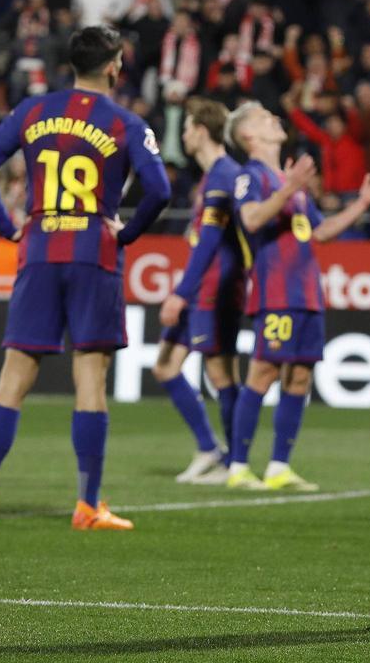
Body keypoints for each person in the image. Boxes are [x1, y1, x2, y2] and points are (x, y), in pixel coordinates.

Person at [0, 26, 172, 530]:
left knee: (13, 377)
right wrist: (127, 234)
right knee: (90, 376)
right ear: (114, 66)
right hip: (93, 252)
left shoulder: (32, 111)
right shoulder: (125, 122)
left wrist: (7, 226)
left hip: (39, 248)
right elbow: (160, 190)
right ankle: (87, 505)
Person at [225, 102, 370, 491]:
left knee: (300, 377)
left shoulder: (287, 182)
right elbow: (250, 219)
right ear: (249, 135)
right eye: (264, 118)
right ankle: (238, 468)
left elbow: (322, 231)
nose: (274, 119)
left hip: (307, 293)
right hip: (276, 292)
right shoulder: (251, 176)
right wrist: (290, 187)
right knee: (263, 373)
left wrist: (362, 203)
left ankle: (278, 468)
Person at [152, 96, 245, 485]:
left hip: (215, 288)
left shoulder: (225, 174)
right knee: (165, 367)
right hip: (199, 288)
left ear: (202, 131)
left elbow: (210, 241)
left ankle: (236, 463)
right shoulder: (210, 177)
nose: (183, 134)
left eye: (188, 127)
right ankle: (210, 449)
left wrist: (181, 292)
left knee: (221, 374)